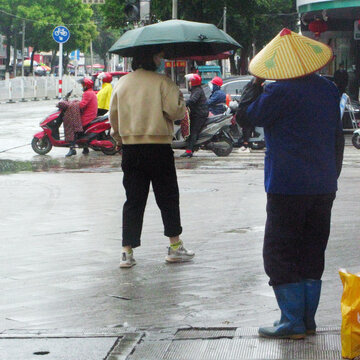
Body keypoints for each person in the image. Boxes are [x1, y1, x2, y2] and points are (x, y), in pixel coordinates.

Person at [244, 28, 344, 339]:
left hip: (288, 186)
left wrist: (256, 82)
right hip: (323, 185)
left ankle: (291, 322)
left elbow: (247, 116)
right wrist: (331, 176)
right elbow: (338, 140)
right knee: (312, 250)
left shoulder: (279, 92)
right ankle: (307, 320)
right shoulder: (329, 91)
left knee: (280, 252)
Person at [109, 46, 195, 268]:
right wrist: (178, 97)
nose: (161, 59)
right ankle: (175, 247)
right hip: (158, 149)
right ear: (151, 58)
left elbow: (114, 119)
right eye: (159, 56)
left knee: (133, 201)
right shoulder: (162, 82)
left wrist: (120, 140)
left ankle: (127, 252)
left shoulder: (122, 84)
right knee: (167, 197)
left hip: (131, 149)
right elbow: (176, 113)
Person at [66, 77, 98, 157]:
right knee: (81, 132)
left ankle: (72, 149)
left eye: (82, 85)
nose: (82, 86)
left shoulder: (87, 93)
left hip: (88, 117)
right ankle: (85, 148)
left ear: (86, 85)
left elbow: (82, 105)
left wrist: (72, 104)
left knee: (73, 128)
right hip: (90, 115)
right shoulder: (91, 92)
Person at [180, 73, 209, 158]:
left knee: (193, 132)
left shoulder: (197, 91)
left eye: (190, 82)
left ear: (193, 82)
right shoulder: (196, 90)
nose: (189, 83)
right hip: (197, 113)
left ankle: (189, 151)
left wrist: (184, 104)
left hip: (200, 114)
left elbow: (193, 101)